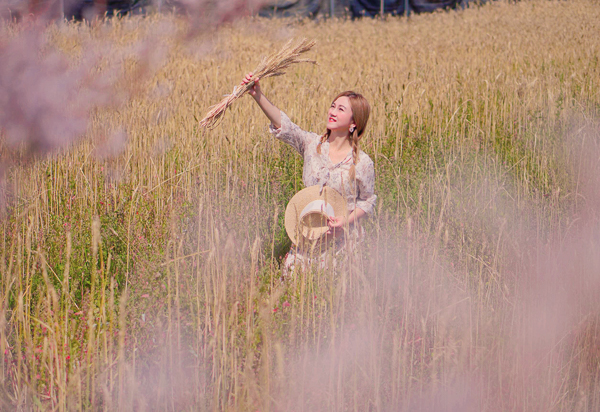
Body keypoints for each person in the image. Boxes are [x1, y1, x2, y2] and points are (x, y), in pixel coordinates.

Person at [242, 72, 377, 275]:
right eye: (332, 106)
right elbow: (285, 127)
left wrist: (345, 222)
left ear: (354, 122)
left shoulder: (362, 162)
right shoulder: (312, 144)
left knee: (332, 298)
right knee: (293, 290)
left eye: (341, 109)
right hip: (308, 235)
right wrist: (258, 95)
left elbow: (367, 202)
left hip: (343, 244)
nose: (332, 111)